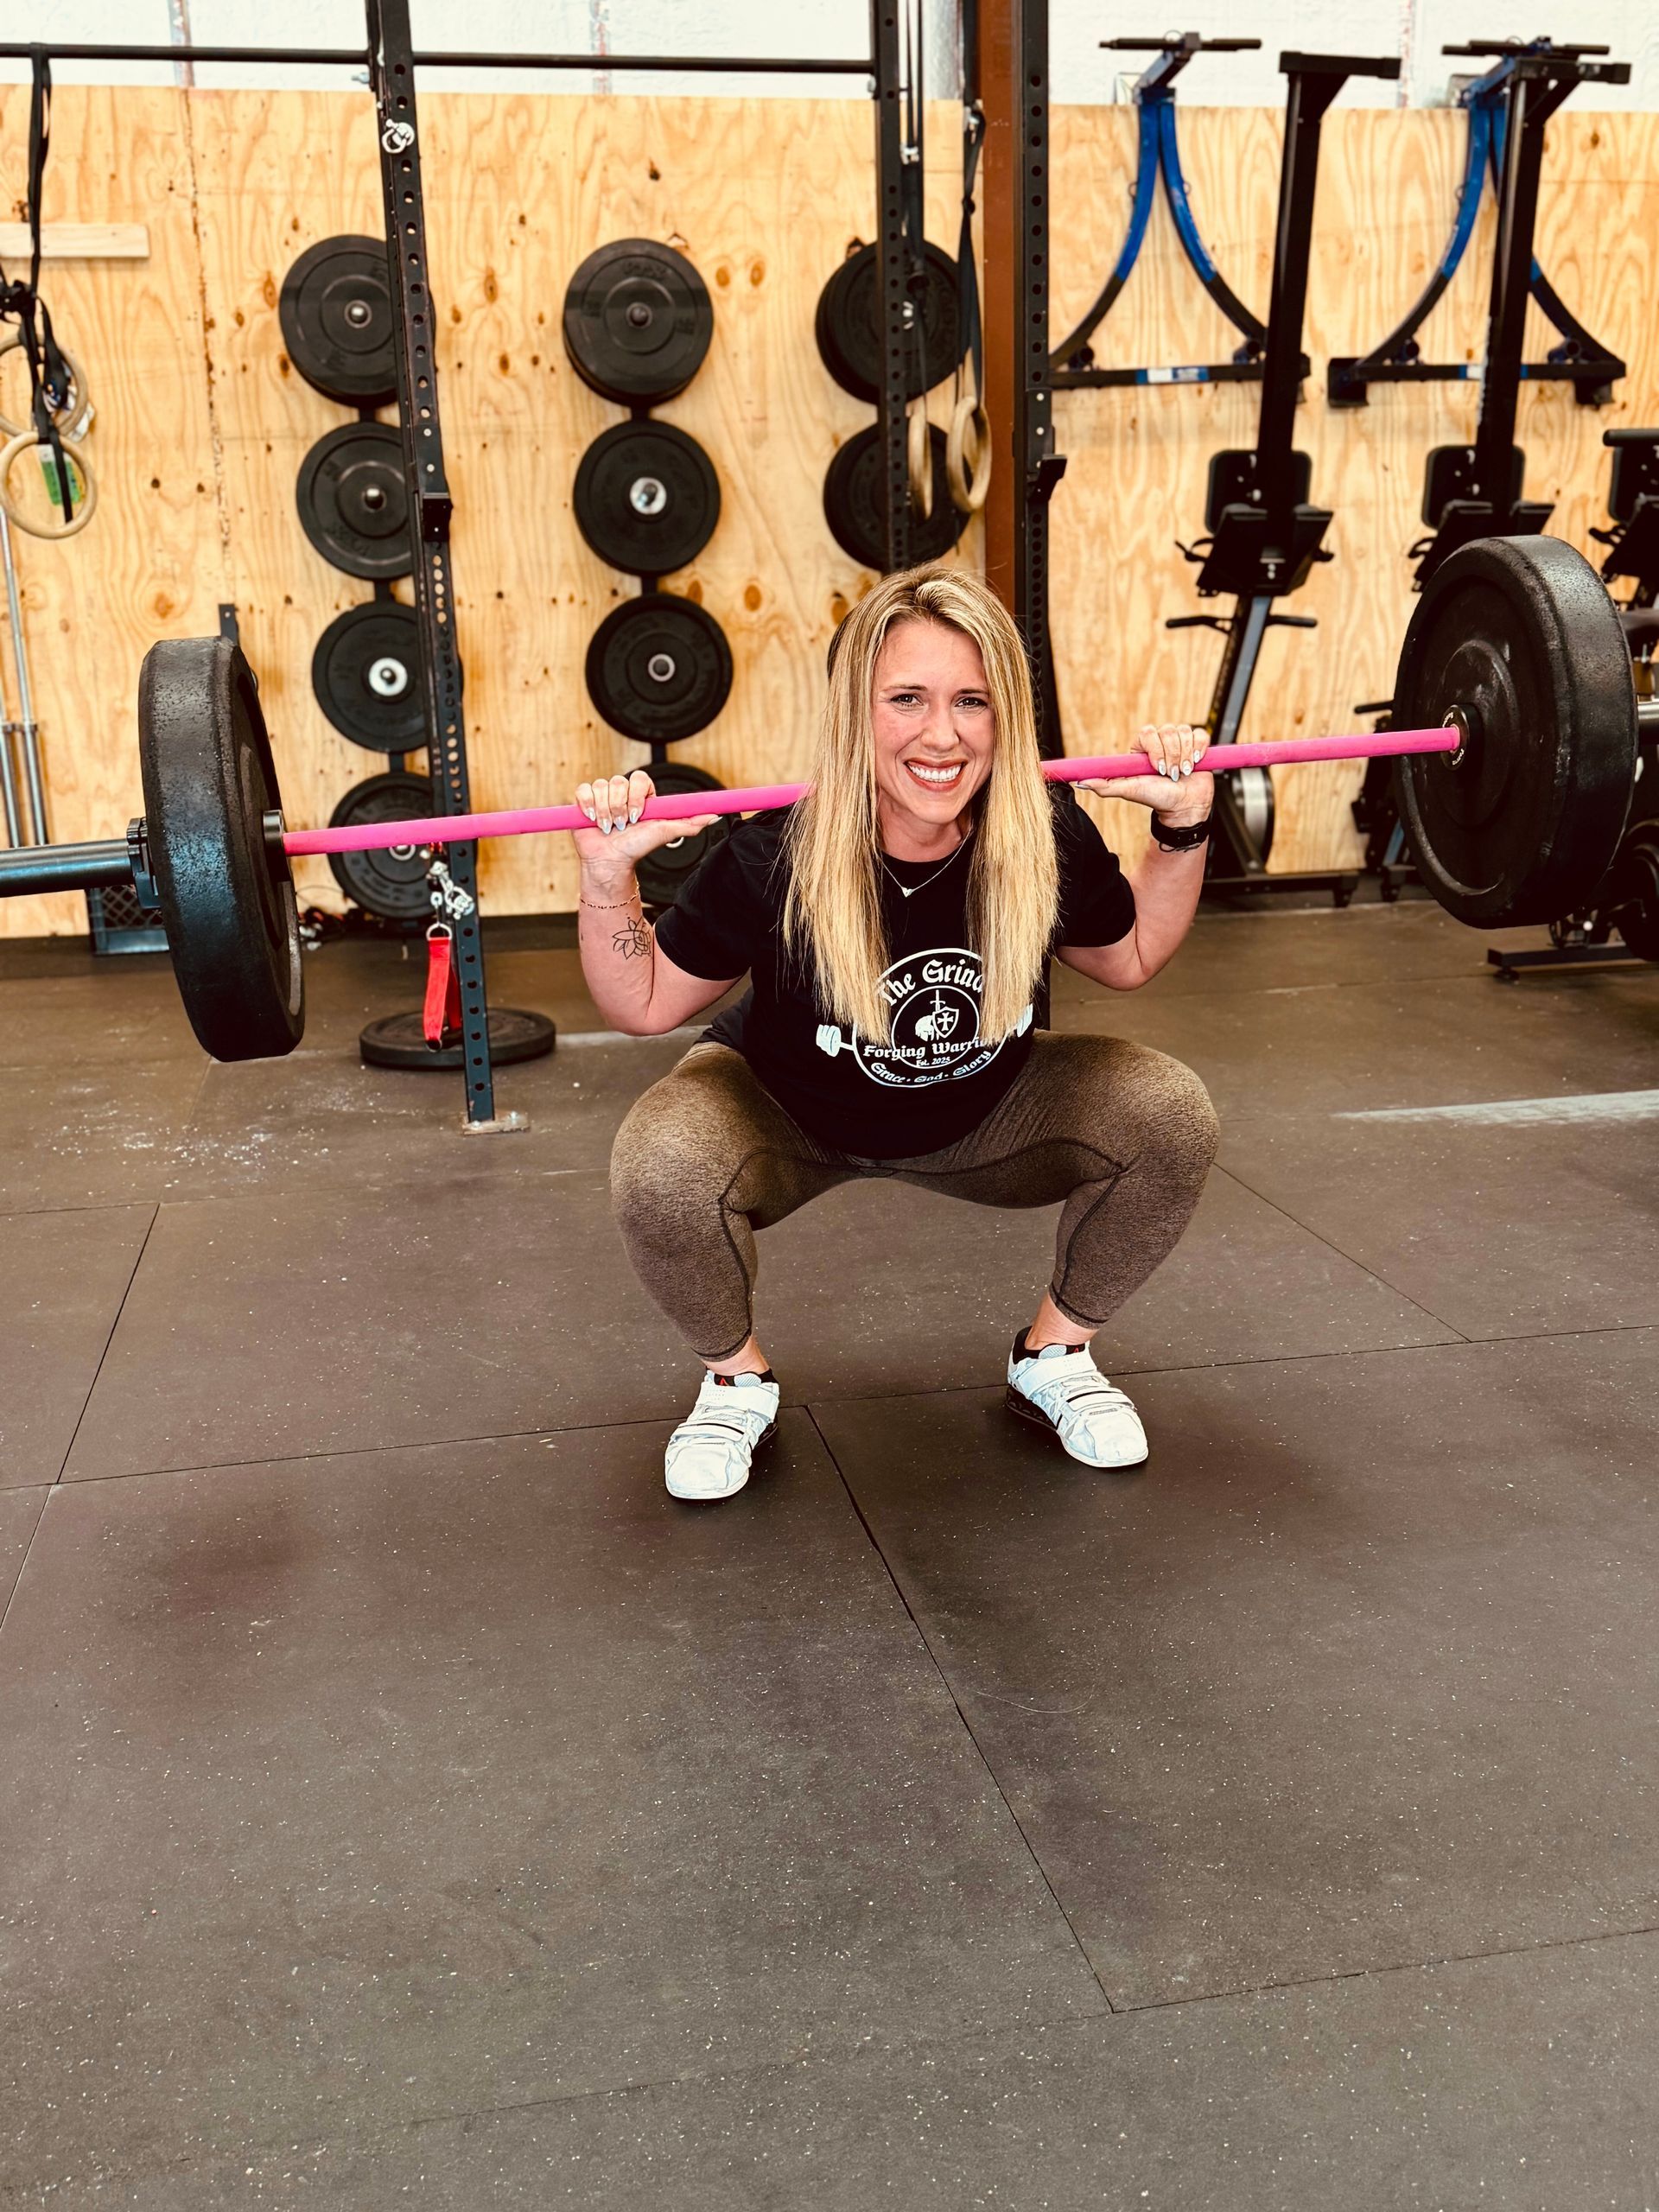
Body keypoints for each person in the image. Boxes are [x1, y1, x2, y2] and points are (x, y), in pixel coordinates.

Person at [574, 563, 1219, 1502]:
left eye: (972, 701)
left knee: (1167, 1112)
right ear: (855, 713)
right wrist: (606, 878)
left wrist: (1184, 829)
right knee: (663, 1163)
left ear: (1006, 718)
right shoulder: (773, 854)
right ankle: (733, 1378)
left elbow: (1130, 957)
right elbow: (641, 1003)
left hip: (985, 1113)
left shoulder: (1042, 831)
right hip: (787, 1116)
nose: (942, 734)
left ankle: (1054, 1357)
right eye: (906, 699)